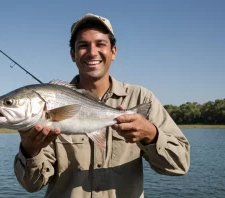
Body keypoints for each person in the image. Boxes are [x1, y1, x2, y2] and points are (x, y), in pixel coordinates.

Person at [13, 13, 190, 198]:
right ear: (73, 55)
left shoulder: (140, 98)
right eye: (83, 46)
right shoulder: (44, 109)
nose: (92, 52)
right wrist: (30, 151)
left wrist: (151, 135)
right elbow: (32, 185)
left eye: (100, 44)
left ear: (113, 51)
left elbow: (180, 165)